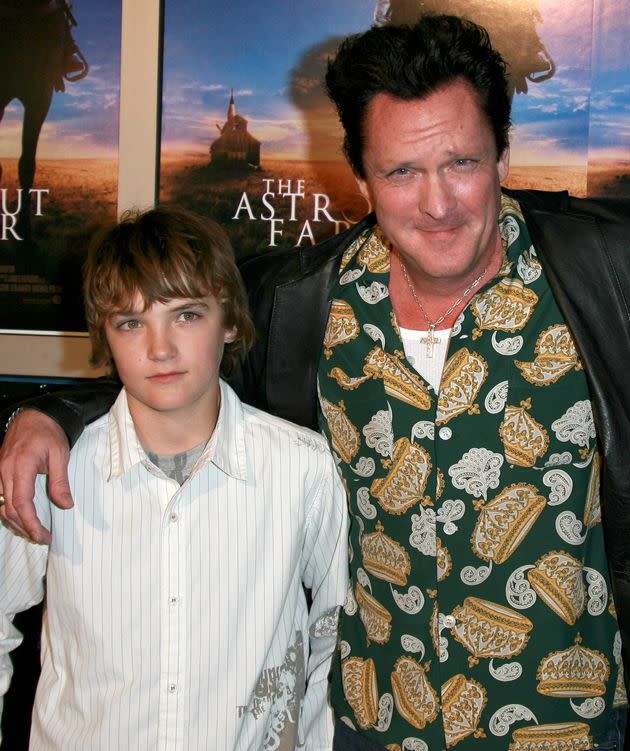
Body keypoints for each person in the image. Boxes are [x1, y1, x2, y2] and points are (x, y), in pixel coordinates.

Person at [1, 13, 630, 751]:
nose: (437, 203)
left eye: (462, 162)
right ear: (360, 175)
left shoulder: (605, 278)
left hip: (565, 726)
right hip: (370, 726)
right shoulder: (299, 301)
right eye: (401, 172)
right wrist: (52, 415)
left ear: (502, 154)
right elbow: (175, 367)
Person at [0, 206, 348, 750]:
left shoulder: (303, 468)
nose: (159, 349)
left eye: (186, 315)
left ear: (229, 319)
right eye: (130, 322)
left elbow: (335, 634)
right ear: (105, 335)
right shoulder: (55, 470)